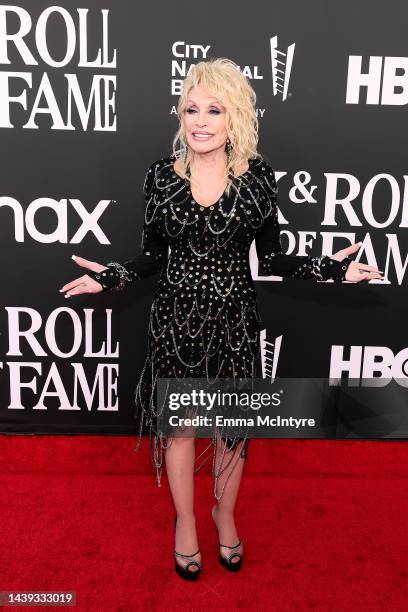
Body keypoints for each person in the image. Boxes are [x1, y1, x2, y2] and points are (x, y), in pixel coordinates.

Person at [59, 58, 383, 580]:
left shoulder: (256, 179)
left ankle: (223, 514)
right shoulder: (161, 177)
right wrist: (112, 275)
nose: (201, 120)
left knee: (232, 430)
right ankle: (186, 521)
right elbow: (152, 256)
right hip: (174, 321)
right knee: (182, 429)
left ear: (236, 117)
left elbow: (272, 259)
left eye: (215, 109)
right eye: (192, 109)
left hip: (233, 320)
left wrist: (331, 269)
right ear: (181, 115)